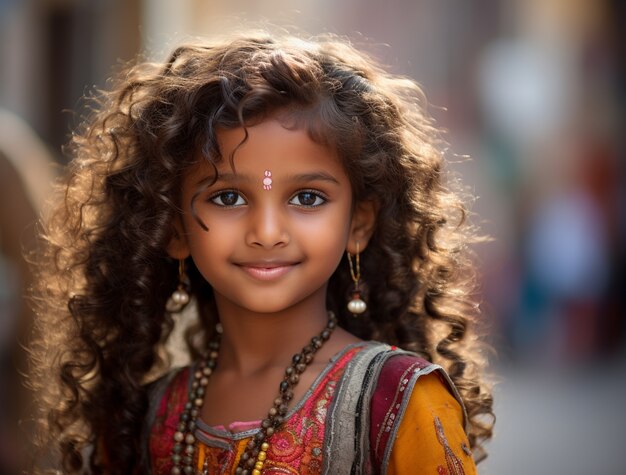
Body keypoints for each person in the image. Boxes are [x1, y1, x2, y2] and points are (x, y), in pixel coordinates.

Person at [30, 33, 494, 474]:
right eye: (228, 198)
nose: (267, 233)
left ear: (358, 224)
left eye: (308, 198)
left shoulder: (399, 401)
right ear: (172, 228)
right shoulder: (142, 416)